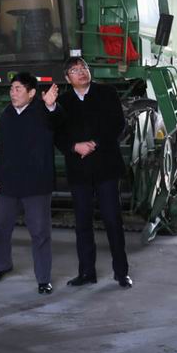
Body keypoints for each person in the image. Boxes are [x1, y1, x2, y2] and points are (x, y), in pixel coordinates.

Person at [55, 57, 133, 288]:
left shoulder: (107, 93)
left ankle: (121, 273)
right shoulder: (63, 102)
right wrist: (74, 147)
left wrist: (94, 143)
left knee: (113, 221)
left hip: (106, 168)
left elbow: (117, 124)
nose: (81, 72)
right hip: (78, 170)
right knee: (82, 223)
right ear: (67, 78)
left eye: (84, 68)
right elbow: (56, 133)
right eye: (75, 70)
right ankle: (86, 272)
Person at [0, 72, 60, 294]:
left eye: (18, 89)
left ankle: (43, 278)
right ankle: (1, 265)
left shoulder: (43, 112)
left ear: (32, 93)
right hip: (9, 183)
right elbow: (2, 149)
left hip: (36, 185)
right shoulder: (7, 114)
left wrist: (51, 106)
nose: (13, 93)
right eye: (11, 89)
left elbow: (59, 122)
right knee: (0, 227)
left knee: (39, 232)